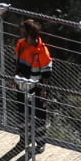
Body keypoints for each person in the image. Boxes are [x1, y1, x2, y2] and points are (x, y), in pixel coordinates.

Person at [13, 18, 54, 152]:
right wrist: (15, 80)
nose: (21, 34)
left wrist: (43, 91)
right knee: (21, 112)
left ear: (30, 34)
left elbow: (46, 74)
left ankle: (40, 143)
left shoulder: (42, 51)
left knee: (39, 115)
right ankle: (23, 139)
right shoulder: (21, 44)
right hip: (22, 85)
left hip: (36, 87)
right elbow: (17, 64)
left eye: (23, 32)